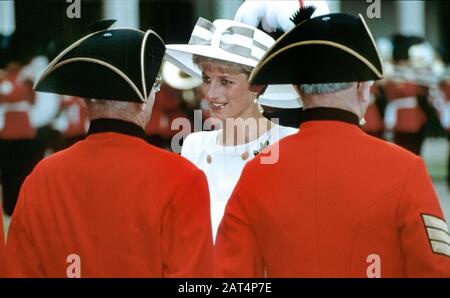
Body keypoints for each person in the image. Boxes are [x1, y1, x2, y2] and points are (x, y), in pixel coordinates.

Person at [215, 9, 450, 277]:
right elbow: (435, 270)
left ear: (296, 89)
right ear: (363, 87)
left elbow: (230, 277)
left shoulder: (256, 172)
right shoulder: (406, 169)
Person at [5, 20, 213, 277]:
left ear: (83, 102)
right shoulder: (183, 177)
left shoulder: (41, 177)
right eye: (155, 87)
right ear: (143, 100)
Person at [165, 17, 301, 241]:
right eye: (207, 79)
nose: (211, 93)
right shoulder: (194, 145)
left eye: (226, 82)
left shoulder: (288, 142)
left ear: (257, 85)